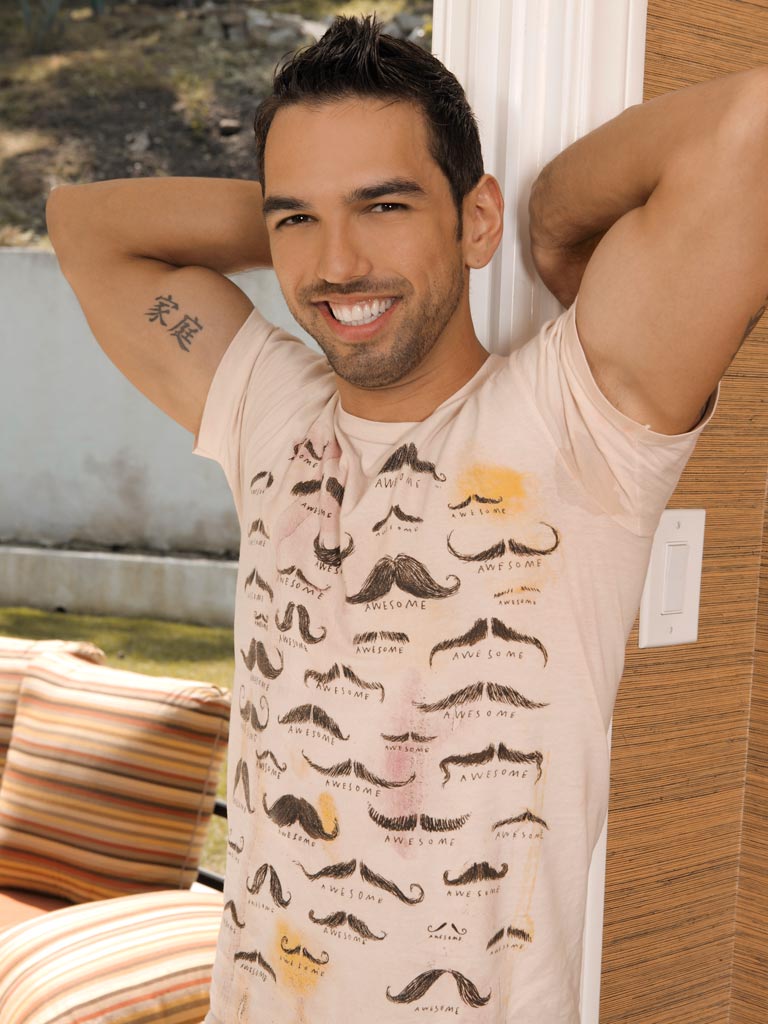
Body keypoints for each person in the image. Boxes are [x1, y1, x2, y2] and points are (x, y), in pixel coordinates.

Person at [45, 15, 767, 1024]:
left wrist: (547, 219)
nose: (339, 265)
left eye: (384, 205)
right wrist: (319, 219)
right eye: (299, 220)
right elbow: (83, 225)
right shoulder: (270, 412)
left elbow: (753, 123)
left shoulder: (578, 422)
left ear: (475, 220)